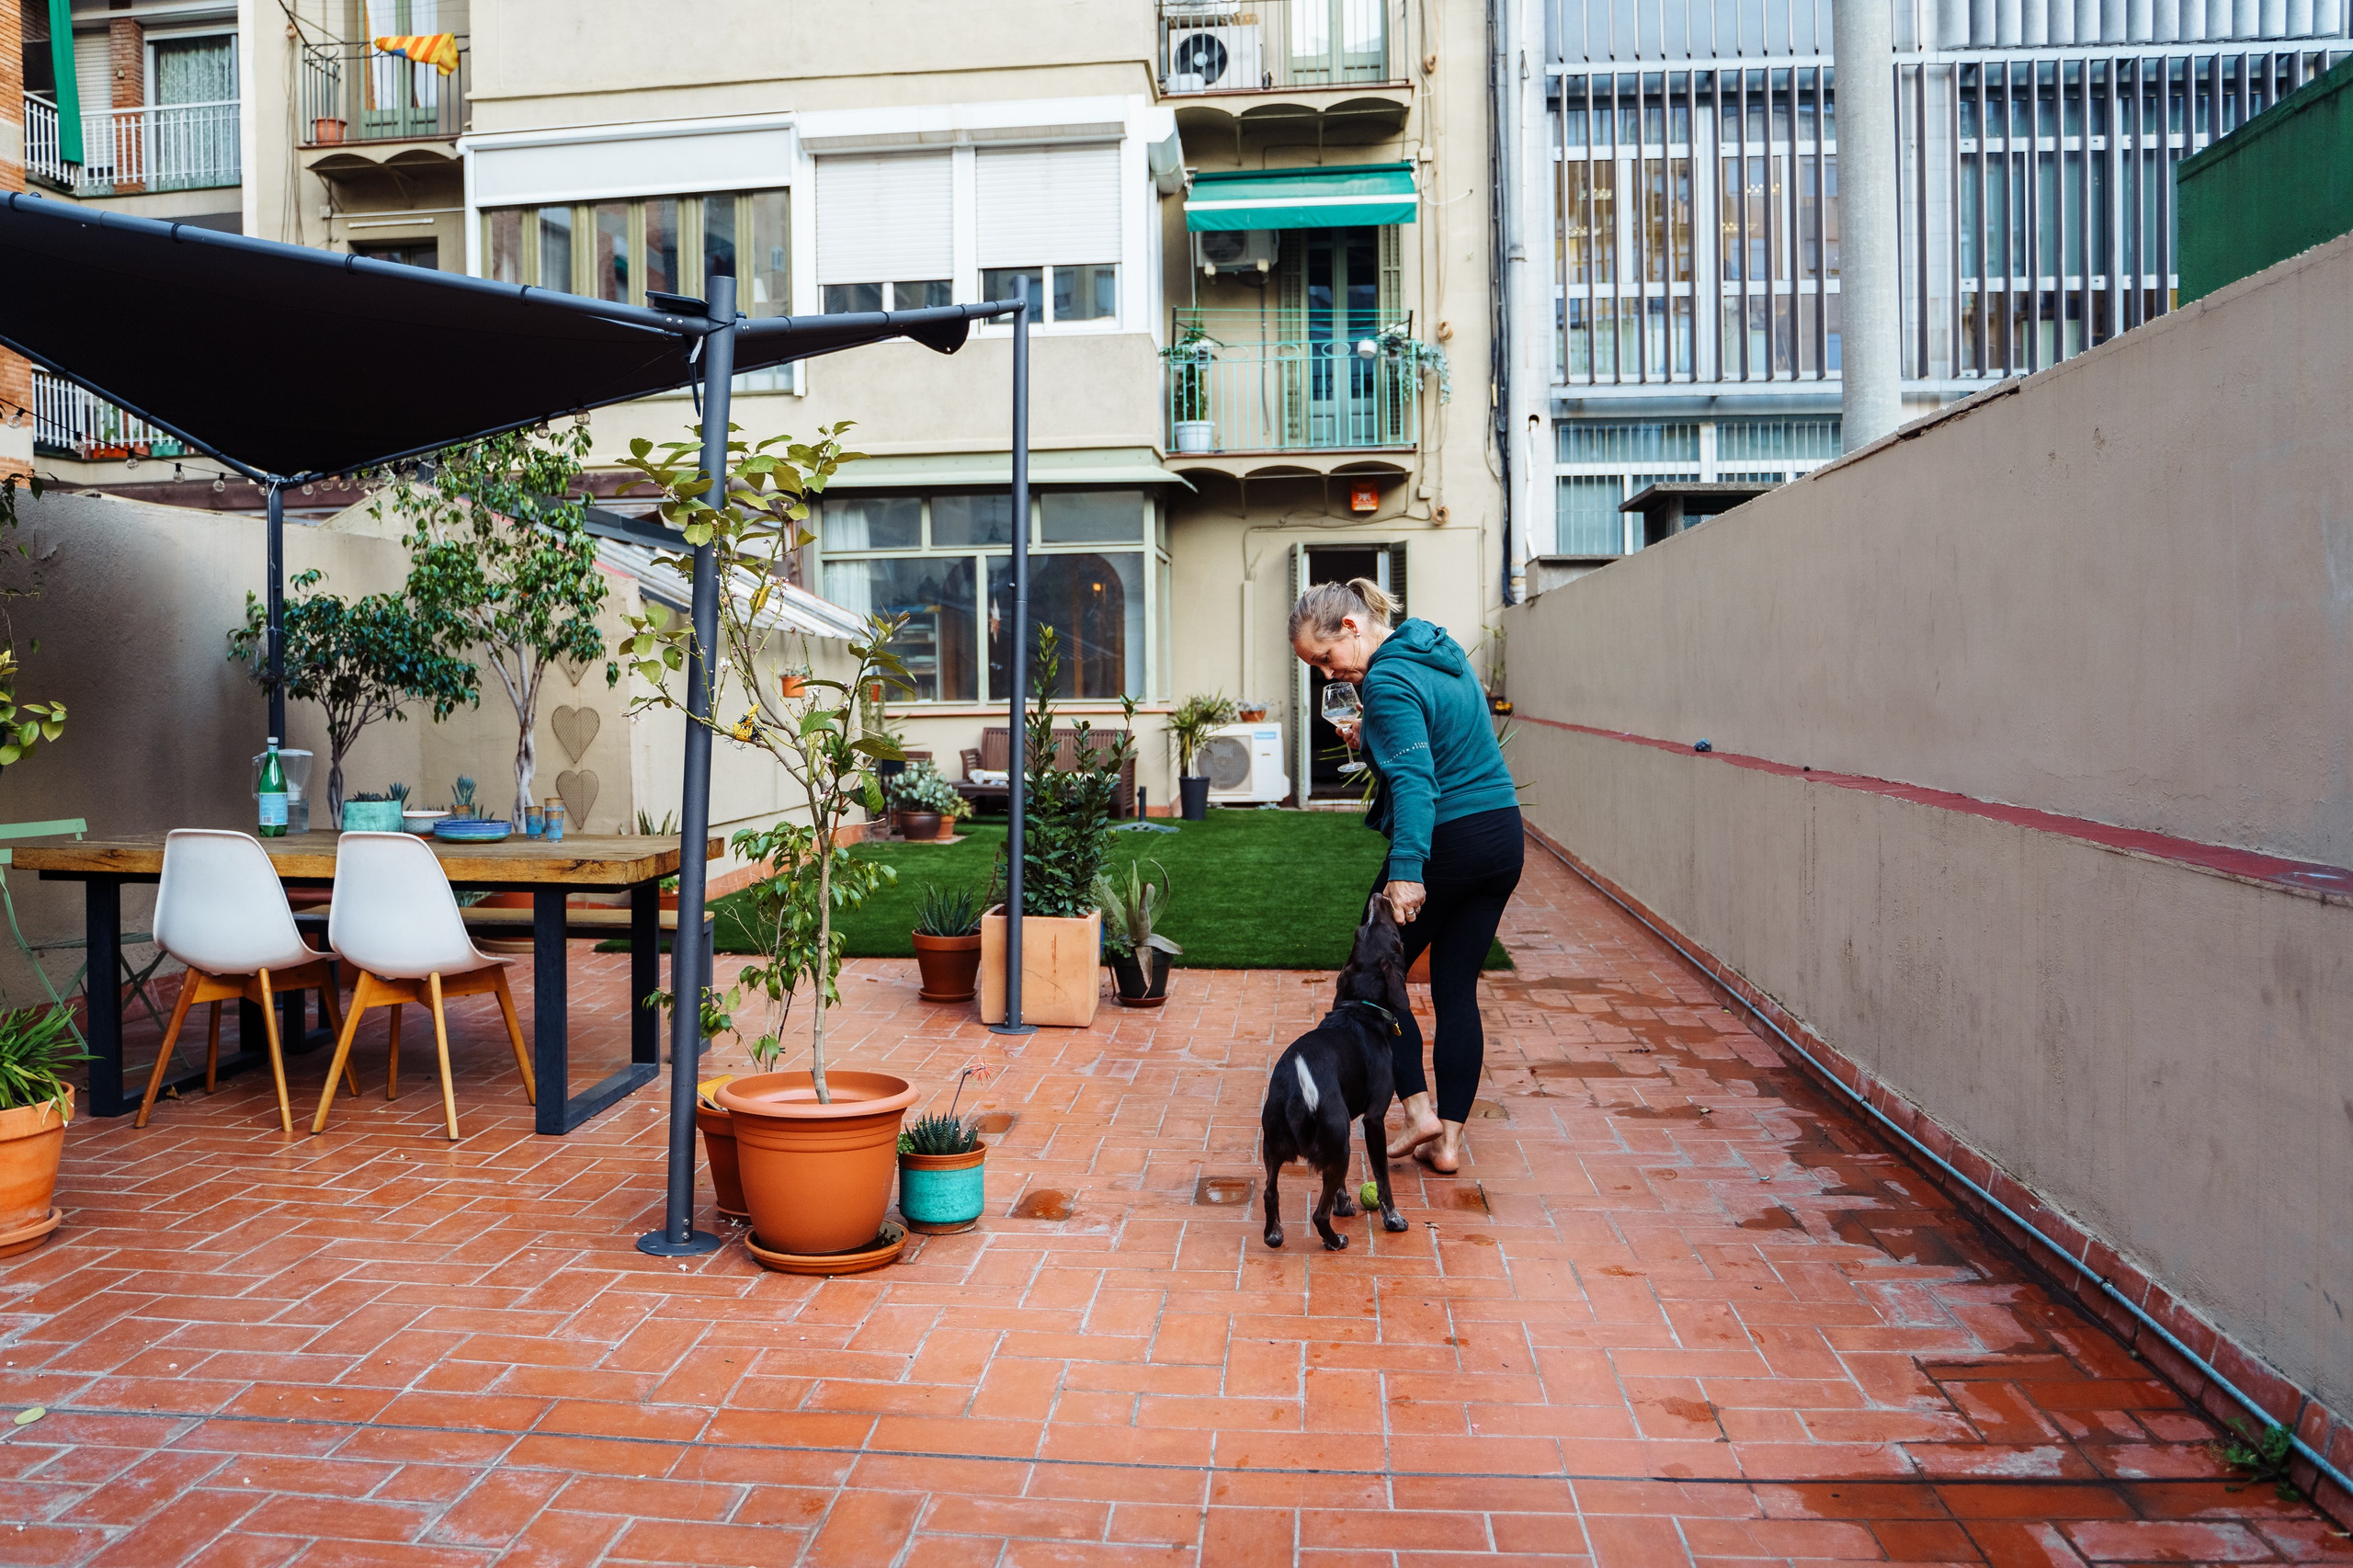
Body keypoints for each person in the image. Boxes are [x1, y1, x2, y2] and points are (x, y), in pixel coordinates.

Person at [1290, 578, 1521, 1173]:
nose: (1326, 674)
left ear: (1350, 627)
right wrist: (1372, 738)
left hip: (1447, 841)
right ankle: (1446, 1143)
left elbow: (1419, 783)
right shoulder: (1433, 648)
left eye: (1325, 658)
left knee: (1371, 984)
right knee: (1454, 988)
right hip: (1501, 837)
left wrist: (1406, 872)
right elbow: (1448, 742)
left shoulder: (1387, 681)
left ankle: (1417, 1110)